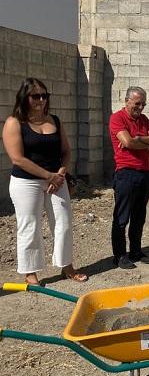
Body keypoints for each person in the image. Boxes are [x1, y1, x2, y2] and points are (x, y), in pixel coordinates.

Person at [2, 78, 87, 285]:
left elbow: (66, 151)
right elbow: (17, 158)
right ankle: (30, 272)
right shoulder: (14, 122)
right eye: (35, 96)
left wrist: (60, 174)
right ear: (25, 98)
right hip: (26, 182)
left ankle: (66, 266)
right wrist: (49, 176)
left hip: (56, 180)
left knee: (63, 222)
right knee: (29, 225)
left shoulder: (55, 120)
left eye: (44, 95)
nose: (41, 100)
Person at [109, 86, 149, 269]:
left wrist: (137, 140)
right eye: (137, 103)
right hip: (126, 173)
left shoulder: (143, 119)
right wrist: (143, 140)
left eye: (143, 104)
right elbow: (127, 142)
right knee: (122, 217)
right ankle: (119, 255)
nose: (140, 107)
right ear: (126, 101)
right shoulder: (117, 118)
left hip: (145, 173)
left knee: (139, 216)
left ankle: (136, 251)